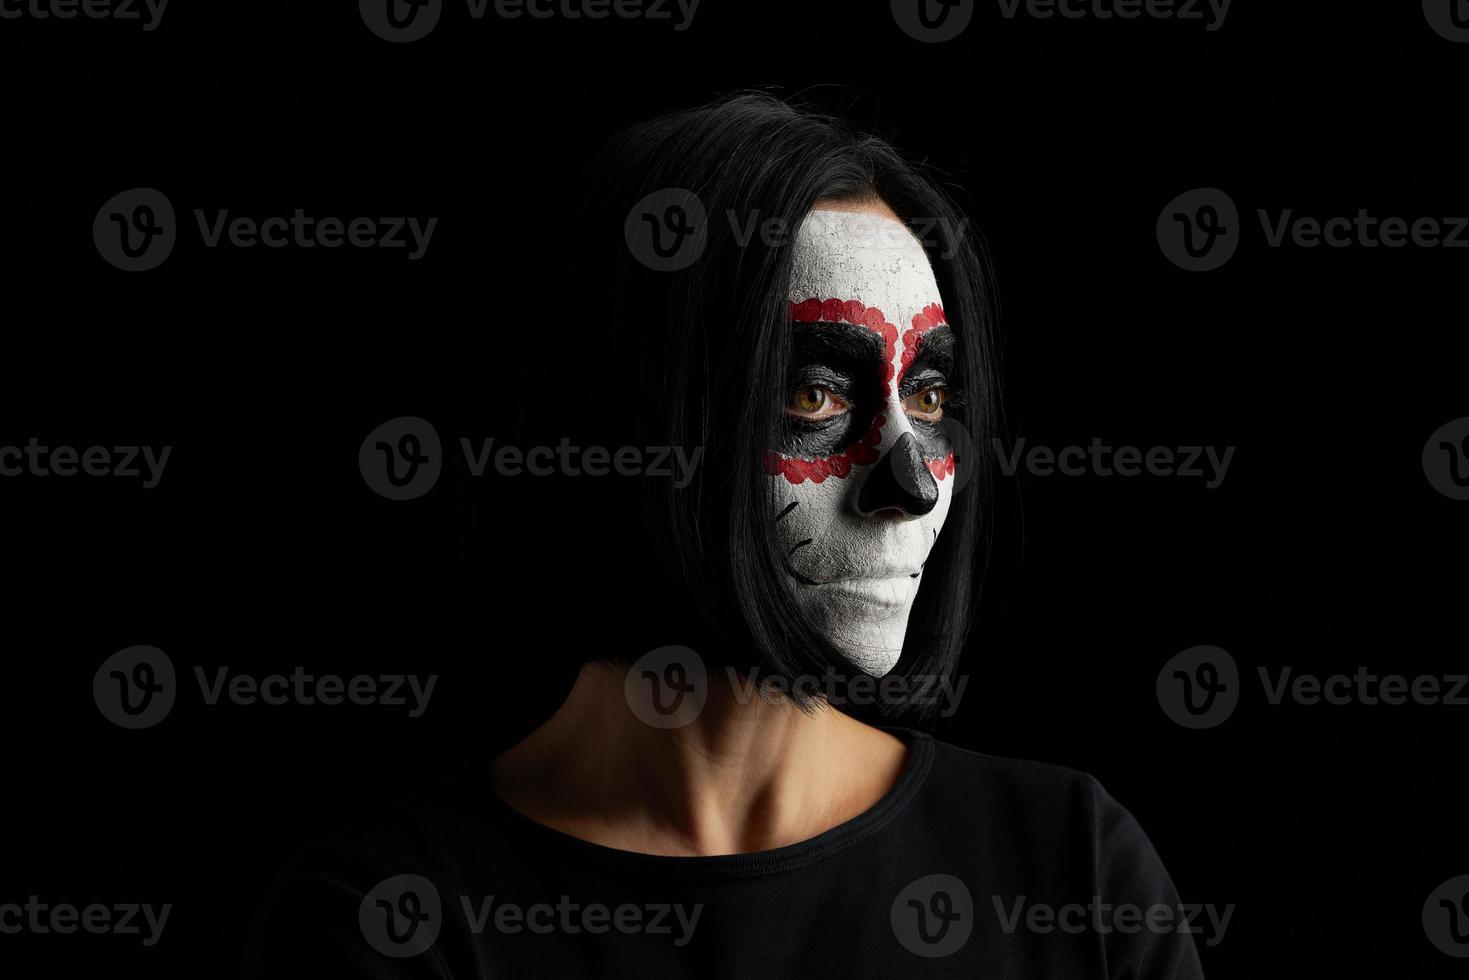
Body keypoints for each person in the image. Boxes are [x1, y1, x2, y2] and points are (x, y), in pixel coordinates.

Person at [246, 92, 1205, 979]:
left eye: (929, 396)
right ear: (635, 413)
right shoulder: (392, 919)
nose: (912, 487)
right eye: (815, 392)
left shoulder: (1068, 869)